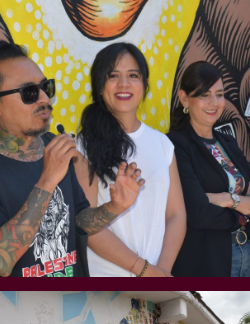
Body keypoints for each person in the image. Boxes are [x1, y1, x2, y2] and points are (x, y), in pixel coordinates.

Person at [0, 40, 140, 277]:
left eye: (46, 88)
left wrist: (115, 207)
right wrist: (48, 180)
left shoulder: (52, 145)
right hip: (7, 310)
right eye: (29, 92)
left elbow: (79, 222)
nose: (45, 100)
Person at [73, 43, 185, 276]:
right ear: (99, 86)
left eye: (133, 75)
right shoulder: (84, 144)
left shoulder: (163, 143)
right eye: (113, 76)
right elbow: (86, 224)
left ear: (144, 84)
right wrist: (145, 271)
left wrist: (162, 271)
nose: (124, 84)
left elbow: (176, 214)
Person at [168, 61, 250, 276]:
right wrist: (244, 207)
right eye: (204, 95)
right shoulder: (175, 145)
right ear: (184, 98)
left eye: (219, 94)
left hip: (248, 255)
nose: (214, 103)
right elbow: (197, 213)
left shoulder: (227, 141)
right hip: (208, 261)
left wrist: (227, 199)